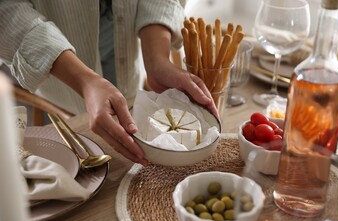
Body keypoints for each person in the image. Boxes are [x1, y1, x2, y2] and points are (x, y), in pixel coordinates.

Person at [0, 0, 218, 166]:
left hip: (124, 33)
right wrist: (85, 81)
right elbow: (8, 9)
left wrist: (157, 59)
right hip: (57, 59)